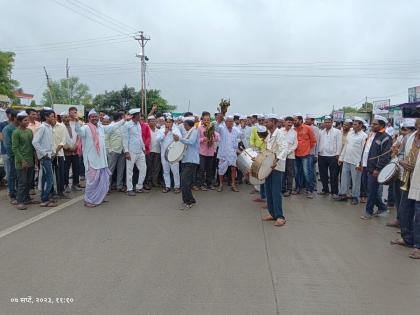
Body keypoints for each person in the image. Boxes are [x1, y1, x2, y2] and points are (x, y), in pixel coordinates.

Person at [75, 109, 125, 207]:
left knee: (101, 180)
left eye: (96, 116)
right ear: (89, 118)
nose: (94, 118)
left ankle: (99, 197)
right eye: (92, 116)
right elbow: (79, 132)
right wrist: (77, 122)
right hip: (91, 159)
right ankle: (88, 200)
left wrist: (123, 120)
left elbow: (112, 127)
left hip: (101, 159)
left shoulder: (101, 127)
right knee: (92, 181)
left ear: (98, 118)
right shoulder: (86, 128)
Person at [390, 118, 420, 259]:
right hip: (408, 179)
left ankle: (418, 246)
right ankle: (406, 238)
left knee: (418, 215)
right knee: (404, 209)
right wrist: (402, 162)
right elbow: (402, 154)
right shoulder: (411, 137)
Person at [359, 115, 392, 220]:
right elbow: (366, 150)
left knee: (372, 190)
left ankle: (369, 212)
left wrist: (378, 169)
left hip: (374, 169)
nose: (372, 125)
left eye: (375, 124)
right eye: (372, 123)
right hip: (365, 166)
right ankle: (382, 207)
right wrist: (360, 163)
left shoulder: (386, 137)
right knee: (369, 190)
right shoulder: (371, 134)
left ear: (381, 125)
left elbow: (385, 156)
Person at [387, 118, 417, 228]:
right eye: (401, 129)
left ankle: (406, 223)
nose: (402, 131)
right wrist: (394, 149)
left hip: (408, 173)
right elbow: (393, 149)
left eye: (405, 129)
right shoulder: (400, 137)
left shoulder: (414, 139)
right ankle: (399, 219)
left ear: (412, 130)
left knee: (406, 201)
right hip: (398, 170)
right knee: (397, 197)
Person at [261, 114, 288, 226]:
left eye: (267, 122)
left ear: (273, 122)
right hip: (268, 167)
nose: (265, 123)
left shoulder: (280, 133)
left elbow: (285, 148)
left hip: (277, 167)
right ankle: (272, 214)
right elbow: (267, 150)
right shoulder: (269, 135)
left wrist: (276, 160)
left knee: (276, 192)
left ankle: (280, 216)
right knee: (269, 191)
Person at [337, 117, 367, 204]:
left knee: (356, 180)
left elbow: (363, 151)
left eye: (355, 124)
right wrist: (341, 158)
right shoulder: (350, 134)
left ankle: (355, 197)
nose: (352, 126)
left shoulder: (364, 136)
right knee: (344, 178)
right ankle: (343, 194)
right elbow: (346, 146)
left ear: (360, 125)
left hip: (356, 162)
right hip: (346, 159)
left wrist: (361, 163)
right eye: (353, 124)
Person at [173, 117, 200, 210]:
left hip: (191, 160)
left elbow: (191, 142)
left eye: (184, 125)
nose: (183, 126)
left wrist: (180, 139)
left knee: (184, 181)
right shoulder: (189, 132)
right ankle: (190, 199)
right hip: (186, 160)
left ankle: (188, 202)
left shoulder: (194, 131)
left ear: (188, 125)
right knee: (185, 181)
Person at [32, 109, 57, 207]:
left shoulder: (49, 127)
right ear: (46, 117)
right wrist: (44, 153)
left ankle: (45, 198)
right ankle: (45, 199)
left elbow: (49, 142)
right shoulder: (42, 127)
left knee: (46, 179)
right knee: (49, 179)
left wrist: (53, 152)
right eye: (52, 116)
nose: (54, 118)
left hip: (49, 156)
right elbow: (34, 142)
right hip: (45, 157)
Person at [12, 111, 37, 210]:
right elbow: (15, 148)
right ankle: (20, 201)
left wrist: (35, 157)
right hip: (21, 162)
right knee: (22, 182)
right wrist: (22, 160)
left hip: (30, 160)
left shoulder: (29, 131)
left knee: (28, 181)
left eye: (27, 120)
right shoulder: (16, 132)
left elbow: (32, 146)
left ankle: (27, 198)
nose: (27, 122)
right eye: (25, 120)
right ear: (19, 121)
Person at [122, 109, 148, 196]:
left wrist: (143, 147)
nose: (140, 117)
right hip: (131, 151)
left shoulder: (138, 124)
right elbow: (125, 139)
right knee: (129, 171)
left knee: (143, 169)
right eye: (139, 115)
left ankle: (139, 187)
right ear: (134, 115)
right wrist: (126, 152)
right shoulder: (127, 125)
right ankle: (129, 189)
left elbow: (140, 137)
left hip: (140, 151)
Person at [215, 114, 242, 192]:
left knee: (233, 169)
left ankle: (233, 184)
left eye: (232, 121)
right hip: (223, 153)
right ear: (225, 122)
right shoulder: (222, 128)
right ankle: (221, 184)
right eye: (229, 121)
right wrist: (219, 119)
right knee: (221, 169)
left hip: (232, 153)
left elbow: (241, 136)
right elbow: (216, 128)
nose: (231, 123)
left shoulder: (235, 129)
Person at [293, 113, 317, 198]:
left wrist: (306, 149)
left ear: (300, 120)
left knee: (307, 173)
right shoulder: (294, 130)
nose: (294, 121)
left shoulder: (308, 128)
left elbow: (313, 141)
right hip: (295, 154)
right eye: (293, 120)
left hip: (306, 155)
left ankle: (309, 190)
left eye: (295, 120)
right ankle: (298, 188)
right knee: (297, 173)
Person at [318, 116, 342, 198]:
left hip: (333, 156)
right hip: (322, 155)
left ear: (332, 123)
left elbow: (339, 143)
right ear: (323, 123)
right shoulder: (321, 132)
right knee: (323, 175)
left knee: (334, 175)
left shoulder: (337, 132)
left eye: (329, 122)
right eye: (325, 122)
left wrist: (338, 154)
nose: (327, 123)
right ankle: (325, 190)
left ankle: (334, 192)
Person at [157, 116, 182, 193]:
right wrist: (165, 133)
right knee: (166, 171)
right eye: (167, 122)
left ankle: (177, 186)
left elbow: (180, 138)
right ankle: (167, 186)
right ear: (165, 122)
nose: (168, 123)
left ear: (172, 122)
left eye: (170, 122)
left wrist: (173, 133)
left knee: (175, 171)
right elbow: (157, 140)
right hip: (164, 154)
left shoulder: (176, 129)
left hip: (174, 154)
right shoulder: (161, 130)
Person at [197, 111, 220, 190]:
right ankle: (201, 184)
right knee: (202, 169)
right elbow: (197, 140)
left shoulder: (212, 127)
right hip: (202, 152)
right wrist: (204, 139)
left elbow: (217, 138)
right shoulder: (200, 128)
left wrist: (212, 137)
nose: (207, 121)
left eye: (208, 119)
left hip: (210, 152)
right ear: (202, 120)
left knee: (209, 169)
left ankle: (209, 184)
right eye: (205, 119)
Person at [62, 111, 82, 192]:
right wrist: (66, 146)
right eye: (65, 117)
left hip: (75, 150)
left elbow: (78, 135)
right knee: (65, 170)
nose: (67, 119)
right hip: (66, 151)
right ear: (62, 118)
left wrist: (76, 145)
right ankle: (66, 185)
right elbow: (59, 138)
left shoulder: (74, 125)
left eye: (68, 117)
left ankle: (75, 184)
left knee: (76, 168)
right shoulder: (60, 126)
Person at [52, 112, 70, 199]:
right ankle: (51, 192)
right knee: (50, 175)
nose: (52, 118)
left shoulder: (61, 127)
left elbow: (63, 141)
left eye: (54, 116)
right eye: (51, 116)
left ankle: (61, 191)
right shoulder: (45, 127)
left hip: (59, 154)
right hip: (48, 155)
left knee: (60, 174)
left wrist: (56, 151)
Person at [106, 112, 125, 192]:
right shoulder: (111, 126)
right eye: (123, 116)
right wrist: (109, 150)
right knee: (110, 170)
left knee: (121, 169)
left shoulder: (123, 126)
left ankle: (119, 186)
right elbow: (106, 139)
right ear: (120, 117)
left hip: (122, 150)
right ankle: (107, 187)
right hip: (113, 150)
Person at [2, 110, 18, 204]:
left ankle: (18, 194)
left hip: (19, 157)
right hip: (11, 156)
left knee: (18, 176)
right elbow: (7, 144)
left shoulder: (17, 127)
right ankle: (12, 195)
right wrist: (13, 155)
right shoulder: (7, 128)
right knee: (11, 176)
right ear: (14, 118)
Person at [281, 116, 298, 197]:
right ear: (284, 122)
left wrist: (288, 152)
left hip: (290, 156)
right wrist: (282, 153)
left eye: (291, 123)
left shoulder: (294, 132)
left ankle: (289, 190)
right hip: (281, 156)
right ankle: (282, 188)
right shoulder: (280, 131)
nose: (290, 124)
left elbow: (295, 144)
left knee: (289, 173)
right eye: (288, 122)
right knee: (282, 172)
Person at [145, 115, 162, 188]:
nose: (153, 122)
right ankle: (148, 182)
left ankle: (154, 181)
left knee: (156, 167)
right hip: (149, 151)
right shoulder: (146, 129)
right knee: (149, 167)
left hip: (157, 151)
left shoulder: (159, 130)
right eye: (151, 121)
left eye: (154, 121)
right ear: (148, 122)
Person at [305, 114, 320, 191]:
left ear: (312, 120)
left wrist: (316, 154)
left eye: (308, 119)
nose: (306, 121)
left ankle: (313, 185)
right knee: (306, 170)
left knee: (312, 170)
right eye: (306, 119)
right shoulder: (303, 127)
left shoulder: (315, 129)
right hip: (304, 153)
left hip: (312, 153)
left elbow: (316, 142)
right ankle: (306, 185)